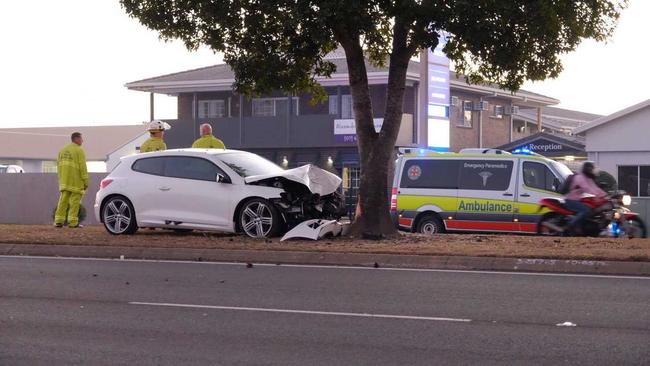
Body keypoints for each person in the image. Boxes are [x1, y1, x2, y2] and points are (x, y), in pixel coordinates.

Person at [54, 132, 89, 228]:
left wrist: (61, 180)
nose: (82, 141)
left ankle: (58, 221)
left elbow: (58, 166)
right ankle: (73, 222)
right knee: (75, 202)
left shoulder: (62, 150)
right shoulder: (79, 150)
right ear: (76, 139)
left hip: (64, 181)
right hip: (75, 182)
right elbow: (83, 167)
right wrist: (86, 181)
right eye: (81, 139)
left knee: (63, 201)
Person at [563, 161, 607, 234]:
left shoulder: (588, 178)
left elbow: (595, 188)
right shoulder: (579, 177)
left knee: (592, 208)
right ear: (588, 169)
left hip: (578, 200)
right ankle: (570, 226)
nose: (593, 171)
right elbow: (586, 188)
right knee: (586, 210)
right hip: (570, 200)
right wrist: (597, 195)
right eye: (592, 169)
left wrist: (605, 195)